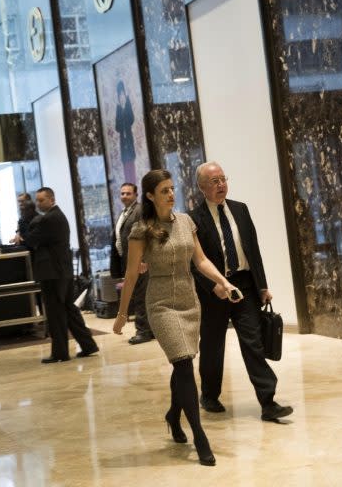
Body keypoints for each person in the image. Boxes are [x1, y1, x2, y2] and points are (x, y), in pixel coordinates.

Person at [113, 169, 240, 467]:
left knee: (182, 365)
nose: (171, 194)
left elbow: (201, 260)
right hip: (161, 304)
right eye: (164, 191)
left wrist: (224, 282)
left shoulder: (185, 222)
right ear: (150, 196)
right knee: (183, 363)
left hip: (188, 300)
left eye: (172, 189)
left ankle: (173, 414)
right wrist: (122, 315)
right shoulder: (141, 229)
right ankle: (200, 436)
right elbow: (131, 275)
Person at [191, 162, 293, 422]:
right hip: (215, 291)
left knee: (253, 343)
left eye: (223, 179)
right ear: (202, 187)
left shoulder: (240, 209)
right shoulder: (194, 219)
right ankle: (210, 394)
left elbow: (253, 250)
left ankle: (268, 402)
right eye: (214, 181)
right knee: (213, 346)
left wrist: (262, 286)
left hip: (244, 286)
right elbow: (193, 262)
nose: (221, 184)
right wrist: (214, 286)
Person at [23, 187, 99, 363]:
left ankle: (60, 353)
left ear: (51, 199)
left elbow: (31, 240)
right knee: (69, 310)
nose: (38, 203)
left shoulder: (49, 218)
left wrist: (22, 236)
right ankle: (88, 345)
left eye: (41, 200)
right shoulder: (55, 216)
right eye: (37, 200)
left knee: (56, 313)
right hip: (60, 272)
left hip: (53, 274)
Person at [110, 183, 153, 344]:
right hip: (130, 262)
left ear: (136, 195)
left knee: (141, 298)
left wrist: (143, 260)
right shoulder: (125, 212)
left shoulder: (140, 210)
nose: (124, 196)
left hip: (140, 262)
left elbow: (146, 235)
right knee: (139, 296)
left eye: (128, 193)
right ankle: (149, 329)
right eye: (122, 193)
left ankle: (143, 331)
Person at [115, 80, 137, 185]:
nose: (121, 97)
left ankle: (133, 188)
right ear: (118, 97)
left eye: (123, 94)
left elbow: (132, 119)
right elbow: (117, 127)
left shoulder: (127, 106)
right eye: (120, 95)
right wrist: (120, 110)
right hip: (123, 145)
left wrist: (127, 103)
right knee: (126, 169)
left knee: (131, 166)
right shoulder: (118, 109)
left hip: (129, 142)